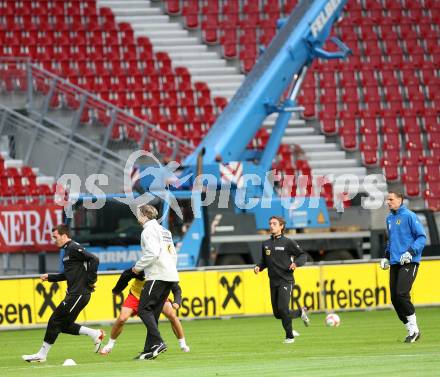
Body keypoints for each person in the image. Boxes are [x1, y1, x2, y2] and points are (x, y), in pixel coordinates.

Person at [22, 224, 105, 362]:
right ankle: (95, 333)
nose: (54, 240)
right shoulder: (67, 252)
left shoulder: (73, 247)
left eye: (55, 237)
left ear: (64, 235)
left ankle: (42, 355)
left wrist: (91, 281)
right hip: (75, 294)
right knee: (64, 326)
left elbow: (94, 259)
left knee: (54, 320)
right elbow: (67, 275)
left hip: (78, 294)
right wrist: (50, 277)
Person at [99, 267, 189, 355]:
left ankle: (183, 344)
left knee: (171, 315)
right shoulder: (143, 267)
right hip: (136, 296)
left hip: (156, 297)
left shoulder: (164, 270)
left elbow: (176, 288)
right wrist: (117, 290)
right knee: (122, 319)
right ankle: (109, 345)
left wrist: (177, 301)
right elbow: (126, 274)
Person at [132, 203, 179, 360]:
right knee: (153, 314)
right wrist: (170, 270)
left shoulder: (147, 231)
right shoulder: (165, 231)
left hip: (157, 275)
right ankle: (149, 349)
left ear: (145, 215)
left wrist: (137, 268)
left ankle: (158, 342)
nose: (137, 216)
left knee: (143, 309)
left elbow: (152, 253)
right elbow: (173, 254)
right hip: (170, 274)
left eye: (139, 214)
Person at [254, 216, 310, 344]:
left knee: (283, 309)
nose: (271, 226)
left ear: (281, 227)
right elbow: (264, 261)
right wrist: (258, 266)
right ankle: (300, 312)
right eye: (270, 224)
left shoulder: (288, 242)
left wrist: (296, 263)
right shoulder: (266, 244)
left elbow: (302, 255)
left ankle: (289, 337)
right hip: (273, 282)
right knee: (278, 314)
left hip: (286, 280)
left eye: (274, 223)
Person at [380, 191, 426, 343]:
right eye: (388, 199)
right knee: (394, 298)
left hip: (409, 261)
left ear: (400, 200)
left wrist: (410, 252)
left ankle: (415, 330)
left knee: (401, 293)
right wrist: (386, 257)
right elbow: (391, 241)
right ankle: (411, 330)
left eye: (391, 199)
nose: (388, 202)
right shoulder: (389, 219)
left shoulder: (410, 216)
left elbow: (421, 237)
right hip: (394, 262)